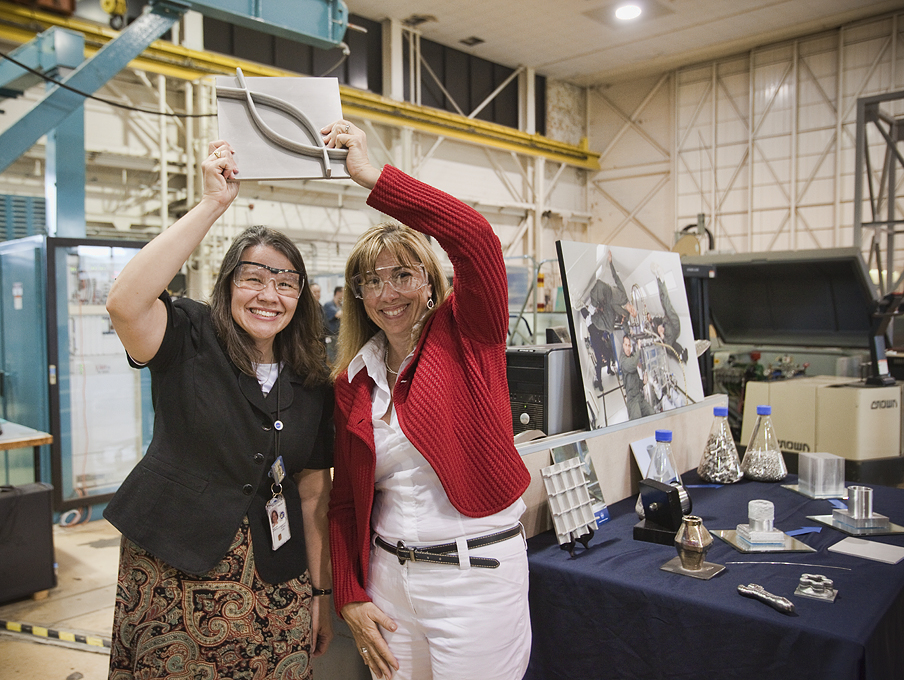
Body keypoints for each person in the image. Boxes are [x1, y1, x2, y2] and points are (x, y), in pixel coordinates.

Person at [103, 141, 335, 680]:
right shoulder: (188, 334)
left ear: (301, 296)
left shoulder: (310, 380)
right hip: (173, 564)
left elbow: (310, 488)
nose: (268, 294)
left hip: (276, 579)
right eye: (253, 277)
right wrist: (212, 205)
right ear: (229, 284)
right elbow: (124, 302)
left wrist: (319, 591)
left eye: (285, 282)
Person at [323, 120, 532, 680]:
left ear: (430, 279)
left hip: (477, 577)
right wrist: (350, 593)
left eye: (403, 275)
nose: (388, 293)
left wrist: (373, 177)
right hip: (390, 585)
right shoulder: (354, 381)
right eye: (372, 281)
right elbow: (346, 500)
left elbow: (477, 238)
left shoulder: (470, 331)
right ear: (357, 296)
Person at [584, 251, 636, 386]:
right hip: (608, 294)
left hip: (609, 309)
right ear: (632, 305)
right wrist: (610, 262)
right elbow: (616, 278)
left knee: (609, 327)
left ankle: (592, 318)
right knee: (601, 287)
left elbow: (625, 327)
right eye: (633, 309)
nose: (631, 311)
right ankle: (590, 308)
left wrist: (629, 333)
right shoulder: (623, 295)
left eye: (633, 313)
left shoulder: (626, 315)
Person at [649, 262, 688, 363]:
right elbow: (668, 347)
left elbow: (656, 323)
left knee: (662, 301)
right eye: (660, 329)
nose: (660, 328)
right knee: (667, 304)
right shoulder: (667, 339)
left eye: (659, 328)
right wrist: (662, 336)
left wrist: (652, 322)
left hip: (667, 322)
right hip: (675, 327)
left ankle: (658, 278)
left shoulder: (658, 325)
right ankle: (661, 278)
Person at [619, 333, 655, 420]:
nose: (628, 348)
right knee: (637, 420)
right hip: (632, 400)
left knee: (652, 413)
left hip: (639, 396)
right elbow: (632, 365)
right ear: (623, 346)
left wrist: (643, 382)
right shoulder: (623, 361)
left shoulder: (631, 357)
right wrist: (639, 349)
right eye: (626, 345)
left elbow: (635, 381)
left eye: (629, 346)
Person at [323, 285, 343, 363]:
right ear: (338, 293)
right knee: (333, 360)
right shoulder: (329, 305)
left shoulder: (340, 306)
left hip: (339, 336)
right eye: (343, 293)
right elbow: (338, 314)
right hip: (331, 337)